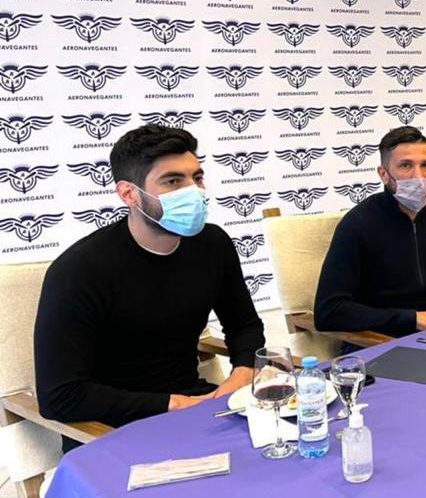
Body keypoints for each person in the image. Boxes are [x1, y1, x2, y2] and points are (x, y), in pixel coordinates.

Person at [34, 124, 265, 450]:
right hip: (108, 428)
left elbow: (244, 325)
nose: (194, 192)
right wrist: (175, 404)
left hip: (194, 408)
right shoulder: (78, 271)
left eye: (197, 177)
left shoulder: (213, 244)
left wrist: (242, 372)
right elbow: (60, 397)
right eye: (173, 181)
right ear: (129, 194)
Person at [315, 126, 426, 336]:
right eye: (406, 165)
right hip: (375, 338)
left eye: (425, 165)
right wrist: (413, 319)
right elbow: (329, 311)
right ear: (383, 174)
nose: (419, 176)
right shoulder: (358, 223)